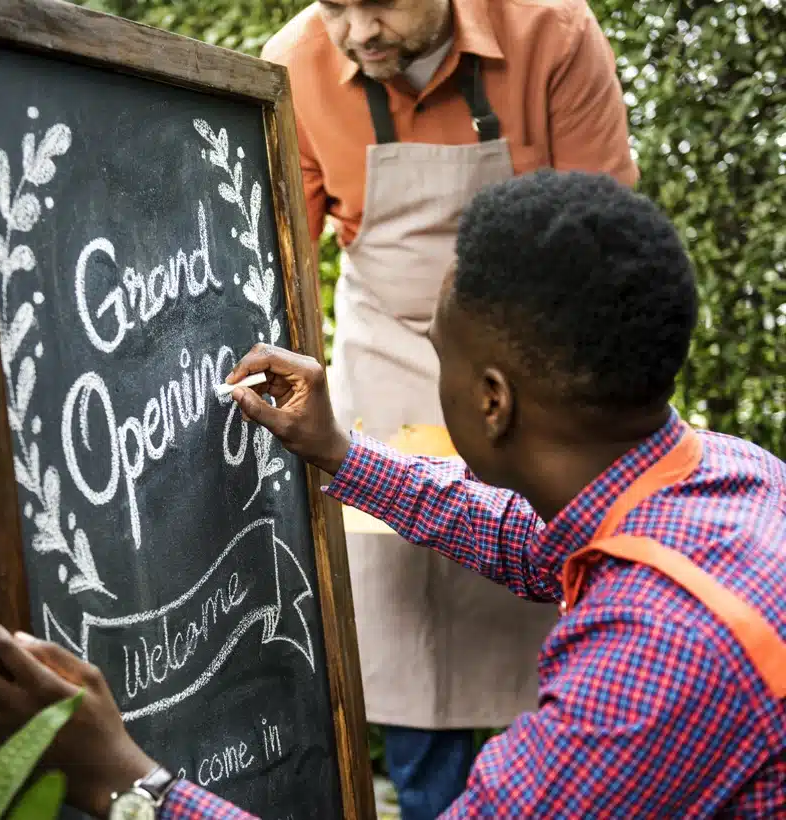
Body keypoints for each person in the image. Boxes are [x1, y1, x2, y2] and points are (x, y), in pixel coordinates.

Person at [0, 171, 786, 816]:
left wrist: (128, 781)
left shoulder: (654, 660)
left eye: (439, 353)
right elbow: (523, 537)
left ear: (492, 400)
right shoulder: (727, 478)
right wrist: (342, 453)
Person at [259, 1, 638, 809]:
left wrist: (554, 395)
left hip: (533, 357)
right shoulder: (293, 61)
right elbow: (277, 249)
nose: (358, 33)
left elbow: (603, 238)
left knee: (546, 587)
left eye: (380, 4)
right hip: (389, 355)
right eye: (336, 7)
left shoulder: (551, 32)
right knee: (410, 625)